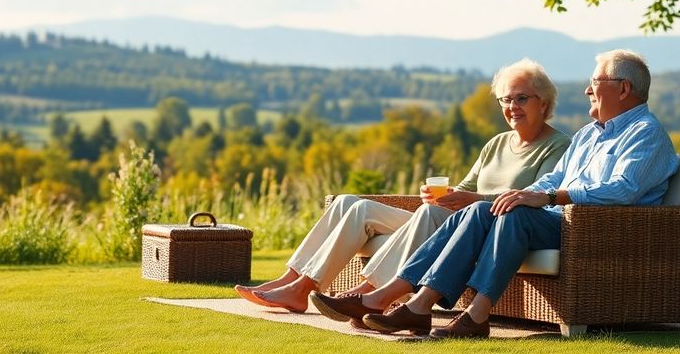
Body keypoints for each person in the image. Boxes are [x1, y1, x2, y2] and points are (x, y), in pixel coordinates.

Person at [311, 49, 679, 339]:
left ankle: (476, 316)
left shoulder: (645, 133)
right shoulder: (589, 134)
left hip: (595, 229)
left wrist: (548, 199)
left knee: (515, 214)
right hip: (557, 218)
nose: (587, 89)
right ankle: (418, 304)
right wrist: (525, 193)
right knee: (475, 212)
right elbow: (553, 178)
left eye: (594, 81)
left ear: (623, 88)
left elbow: (622, 190)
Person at [234, 59, 571, 314]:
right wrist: (449, 192)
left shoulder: (558, 146)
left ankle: (369, 291)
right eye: (505, 99)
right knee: (350, 203)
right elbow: (467, 187)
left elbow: (534, 198)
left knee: (427, 214)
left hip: (486, 227)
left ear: (543, 102)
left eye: (521, 98)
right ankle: (293, 279)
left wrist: (474, 199)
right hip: (450, 220)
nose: (512, 107)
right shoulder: (496, 143)